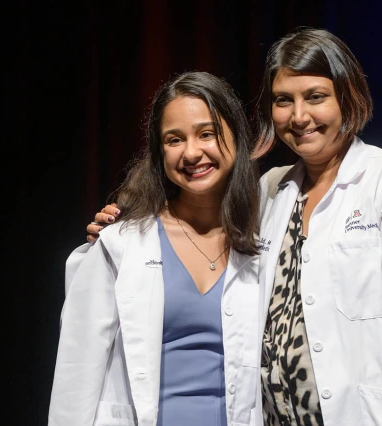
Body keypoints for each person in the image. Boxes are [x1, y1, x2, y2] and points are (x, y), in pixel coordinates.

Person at [87, 28, 382, 426]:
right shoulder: (269, 191)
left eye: (315, 97)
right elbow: (193, 219)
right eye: (283, 100)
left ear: (348, 97)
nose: (299, 116)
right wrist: (126, 229)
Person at [49, 71, 263, 426]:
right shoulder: (121, 243)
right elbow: (77, 372)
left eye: (207, 134)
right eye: (174, 139)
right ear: (159, 151)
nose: (192, 152)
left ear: (236, 138)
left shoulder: (263, 238)